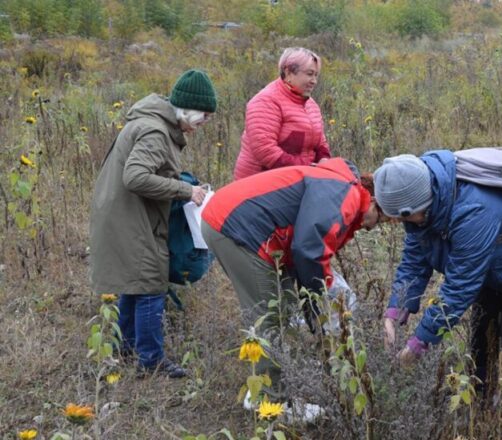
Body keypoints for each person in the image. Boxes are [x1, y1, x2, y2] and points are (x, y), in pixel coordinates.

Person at [375, 151, 502, 440]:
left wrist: (418, 344)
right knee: (480, 327)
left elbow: (459, 288)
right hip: (500, 260)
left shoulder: (474, 210)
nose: (398, 223)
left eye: (401, 217)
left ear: (420, 205)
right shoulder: (426, 199)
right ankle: (483, 399)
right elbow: (414, 257)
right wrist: (394, 312)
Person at [201, 157, 381, 397]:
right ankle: (269, 401)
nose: (375, 227)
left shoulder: (341, 188)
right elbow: (308, 253)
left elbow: (305, 257)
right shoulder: (344, 194)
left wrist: (316, 313)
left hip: (248, 225)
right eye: (383, 219)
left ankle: (286, 378)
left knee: (284, 307)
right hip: (236, 226)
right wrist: (323, 304)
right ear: (374, 202)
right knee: (269, 316)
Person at [90, 69, 217, 378]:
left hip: (123, 214)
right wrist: (186, 191)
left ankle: (126, 347)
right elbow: (135, 177)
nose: (204, 124)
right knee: (150, 284)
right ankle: (151, 361)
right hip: (129, 218)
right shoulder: (155, 131)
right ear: (188, 110)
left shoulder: (152, 122)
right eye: (204, 117)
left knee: (135, 283)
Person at [233, 47, 330, 180]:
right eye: (309, 74)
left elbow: (320, 142)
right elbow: (265, 151)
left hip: (298, 179)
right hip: (261, 184)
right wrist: (307, 169)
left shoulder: (311, 104)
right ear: (289, 72)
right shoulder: (265, 101)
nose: (314, 81)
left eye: (316, 75)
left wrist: (324, 160)